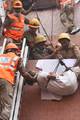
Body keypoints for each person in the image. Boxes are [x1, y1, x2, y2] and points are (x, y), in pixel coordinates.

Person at [0, 43, 36, 120]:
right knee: (7, 104)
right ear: (15, 51)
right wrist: (33, 80)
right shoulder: (16, 58)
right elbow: (24, 74)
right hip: (5, 80)